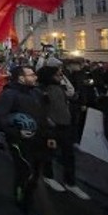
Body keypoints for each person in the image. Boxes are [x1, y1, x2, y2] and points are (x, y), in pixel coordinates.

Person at [0, 66, 51, 215]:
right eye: (31, 75)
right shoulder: (9, 94)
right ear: (21, 78)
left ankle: (29, 200)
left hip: (38, 142)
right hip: (20, 143)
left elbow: (43, 116)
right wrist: (16, 132)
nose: (35, 78)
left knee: (35, 175)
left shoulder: (36, 92)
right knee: (25, 174)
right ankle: (22, 205)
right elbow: (0, 119)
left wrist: (49, 135)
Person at [37, 66, 90, 200]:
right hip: (52, 128)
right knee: (49, 153)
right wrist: (49, 130)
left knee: (69, 155)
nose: (61, 77)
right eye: (58, 75)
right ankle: (49, 176)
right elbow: (42, 112)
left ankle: (70, 182)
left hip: (66, 126)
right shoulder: (42, 91)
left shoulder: (60, 87)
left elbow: (71, 94)